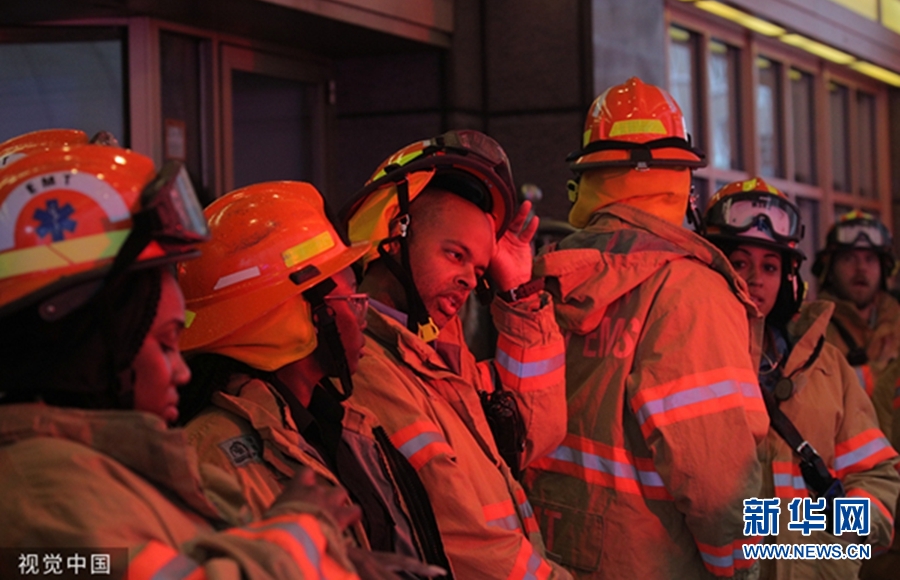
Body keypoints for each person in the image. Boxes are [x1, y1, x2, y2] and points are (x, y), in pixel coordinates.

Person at [0, 142, 361, 579]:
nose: (182, 369)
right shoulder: (44, 498)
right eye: (166, 342)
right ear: (93, 348)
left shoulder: (124, 470)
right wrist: (301, 534)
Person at [523, 77, 769, 579]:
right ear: (683, 182)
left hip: (547, 553)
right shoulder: (689, 292)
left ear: (587, 178)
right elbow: (715, 481)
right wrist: (742, 570)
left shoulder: (540, 280)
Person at [176, 181, 448, 578]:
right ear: (296, 315)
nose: (362, 318)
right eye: (351, 299)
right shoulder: (213, 457)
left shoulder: (344, 424)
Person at [340, 129, 570, 579]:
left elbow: (532, 437)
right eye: (455, 254)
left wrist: (518, 292)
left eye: (479, 268)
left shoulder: (437, 357)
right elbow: (463, 535)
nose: (469, 279)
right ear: (393, 234)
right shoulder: (368, 368)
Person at [704, 178, 900, 579]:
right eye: (739, 263)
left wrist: (834, 544)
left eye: (770, 266)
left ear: (790, 279)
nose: (755, 278)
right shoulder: (689, 356)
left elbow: (876, 475)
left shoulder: (825, 364)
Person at [812, 211, 900, 440]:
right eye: (849, 258)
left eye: (870, 259)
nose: (861, 268)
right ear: (830, 269)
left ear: (884, 269)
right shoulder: (812, 329)